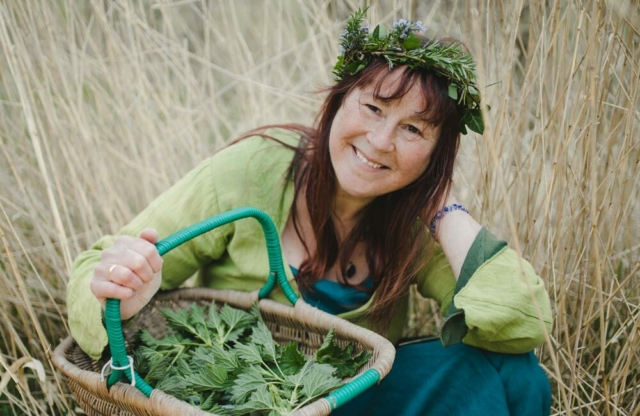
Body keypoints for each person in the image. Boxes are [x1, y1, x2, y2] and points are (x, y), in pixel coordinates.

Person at [67, 10, 553, 415]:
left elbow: (520, 322)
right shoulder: (255, 171)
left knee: (511, 373)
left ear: (434, 154)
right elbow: (96, 270)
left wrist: (442, 206)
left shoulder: (413, 220)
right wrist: (123, 290)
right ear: (339, 102)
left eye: (413, 131)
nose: (380, 142)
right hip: (240, 395)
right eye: (374, 109)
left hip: (350, 398)